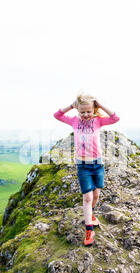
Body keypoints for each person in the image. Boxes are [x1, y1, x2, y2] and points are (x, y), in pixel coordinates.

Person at [53, 93, 120, 246]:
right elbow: (57, 115)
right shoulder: (74, 121)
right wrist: (71, 105)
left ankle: (92, 213)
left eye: (89, 111)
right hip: (82, 165)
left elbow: (115, 118)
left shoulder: (98, 122)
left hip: (97, 164)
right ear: (78, 111)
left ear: (93, 110)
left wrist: (100, 105)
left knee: (96, 194)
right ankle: (89, 229)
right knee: (87, 197)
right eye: (82, 112)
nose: (85, 114)